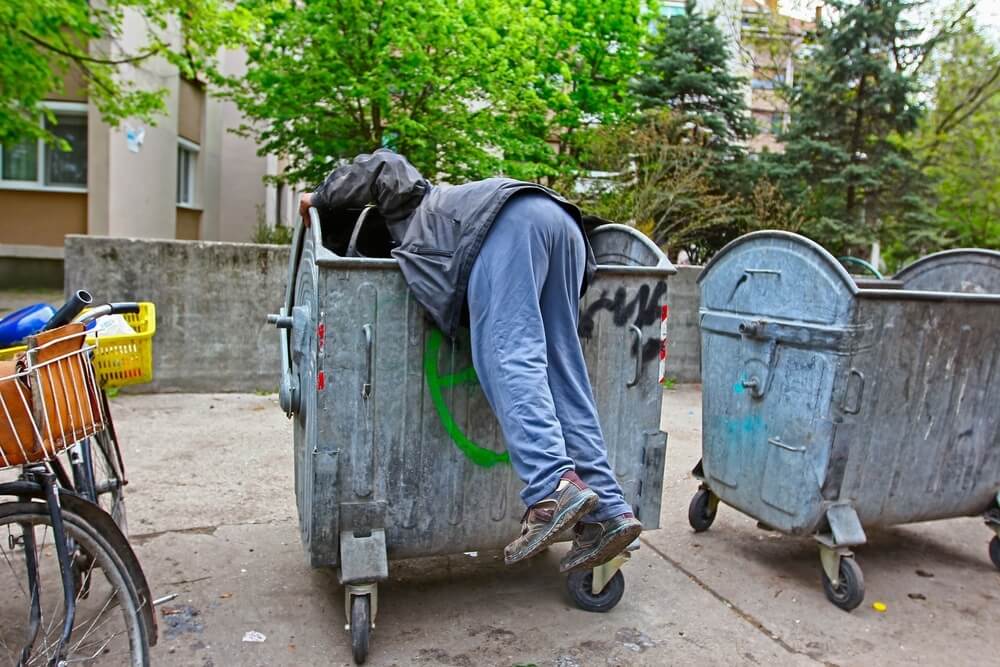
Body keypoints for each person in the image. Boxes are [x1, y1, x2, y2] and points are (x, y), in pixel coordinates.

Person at [299, 149, 642, 572]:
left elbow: (387, 167)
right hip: (563, 227)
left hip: (508, 227)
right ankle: (609, 511)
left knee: (509, 356)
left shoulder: (420, 203)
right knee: (563, 377)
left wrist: (319, 197)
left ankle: (553, 486)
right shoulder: (448, 212)